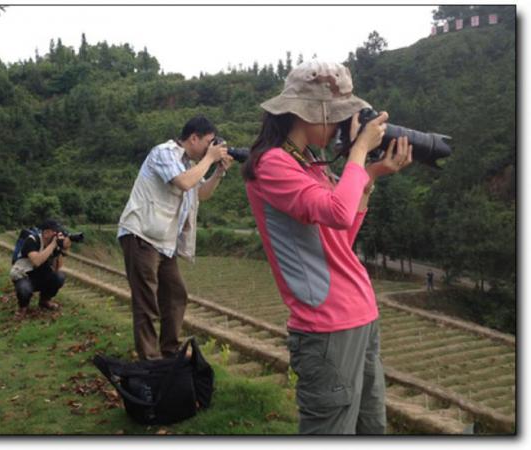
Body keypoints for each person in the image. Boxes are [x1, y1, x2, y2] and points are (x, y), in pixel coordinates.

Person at [242, 61, 413, 434]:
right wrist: (359, 151)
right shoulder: (273, 165)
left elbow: (341, 238)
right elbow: (337, 212)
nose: (341, 125)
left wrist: (370, 174)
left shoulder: (311, 165)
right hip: (326, 328)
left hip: (361, 317)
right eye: (335, 116)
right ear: (309, 113)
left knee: (372, 428)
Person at [117, 116, 233, 360]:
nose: (210, 149)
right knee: (146, 300)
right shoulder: (164, 152)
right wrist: (210, 159)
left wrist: (218, 172)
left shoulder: (188, 164)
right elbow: (183, 183)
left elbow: (201, 192)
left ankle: (170, 352)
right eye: (209, 142)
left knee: (175, 294)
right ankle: (151, 360)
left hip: (164, 243)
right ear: (193, 138)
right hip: (141, 235)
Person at [10, 219, 71, 319]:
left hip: (41, 275)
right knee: (24, 288)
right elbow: (36, 261)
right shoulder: (32, 240)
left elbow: (57, 268)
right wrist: (52, 245)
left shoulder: (53, 245)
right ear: (46, 233)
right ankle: (23, 308)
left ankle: (45, 300)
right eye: (55, 232)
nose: (57, 235)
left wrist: (60, 250)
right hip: (24, 275)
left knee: (60, 276)